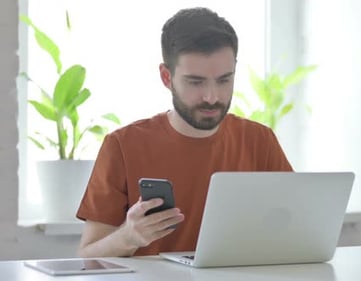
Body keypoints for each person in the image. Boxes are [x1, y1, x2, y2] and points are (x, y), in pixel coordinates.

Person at [76, 7, 293, 258]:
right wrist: (128, 237)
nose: (212, 97)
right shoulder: (122, 145)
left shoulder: (260, 141)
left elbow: (293, 231)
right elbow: (86, 258)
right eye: (195, 82)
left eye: (224, 80)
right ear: (166, 77)